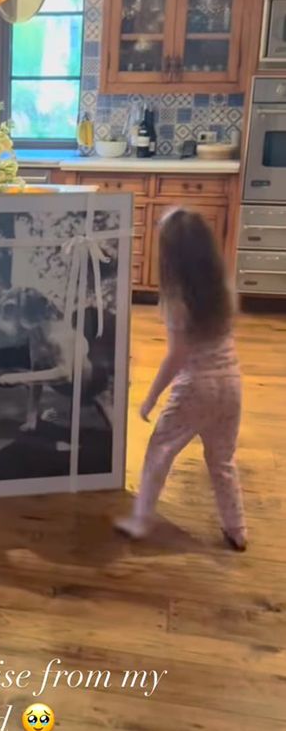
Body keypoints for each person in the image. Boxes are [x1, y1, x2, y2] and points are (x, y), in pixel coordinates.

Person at [115, 209, 246, 551]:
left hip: (196, 388)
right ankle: (237, 528)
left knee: (160, 450)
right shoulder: (225, 290)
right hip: (231, 384)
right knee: (222, 460)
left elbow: (177, 356)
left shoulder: (176, 301)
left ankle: (141, 520)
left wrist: (150, 397)